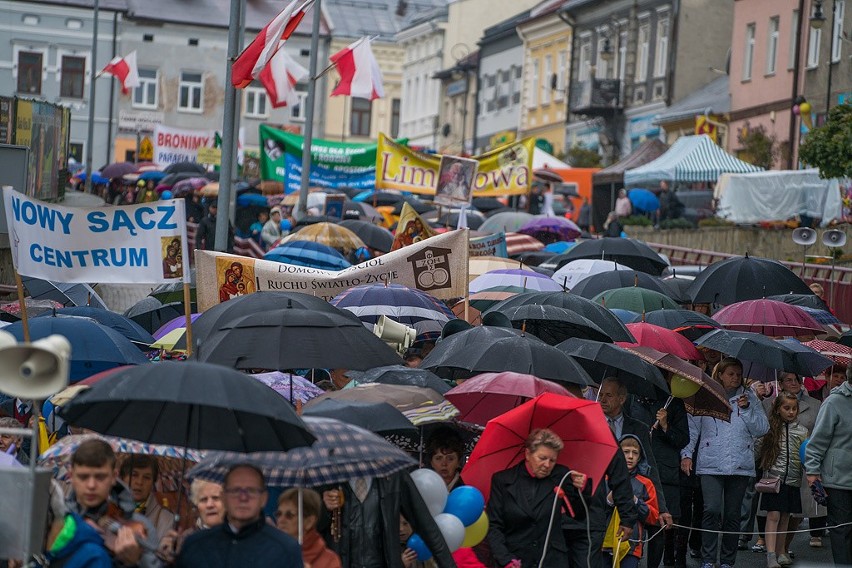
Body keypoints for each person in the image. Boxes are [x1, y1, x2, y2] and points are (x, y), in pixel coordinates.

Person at [681, 357, 769, 568]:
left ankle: (728, 560)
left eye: (738, 374)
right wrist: (686, 454)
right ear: (720, 375)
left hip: (740, 464)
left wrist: (747, 409)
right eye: (731, 374)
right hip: (711, 462)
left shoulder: (750, 398)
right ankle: (708, 559)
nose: (735, 378)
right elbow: (693, 429)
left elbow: (762, 429)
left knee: (732, 514)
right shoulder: (705, 394)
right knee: (711, 509)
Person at [487, 428, 589, 568]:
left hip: (552, 560)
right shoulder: (502, 480)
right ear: (528, 454)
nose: (547, 465)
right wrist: (505, 560)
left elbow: (578, 515)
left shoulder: (562, 475)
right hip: (515, 560)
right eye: (542, 458)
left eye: (552, 460)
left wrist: (581, 491)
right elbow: (494, 526)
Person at [319, 469, 455, 567]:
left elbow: (425, 524)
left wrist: (448, 565)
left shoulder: (394, 476)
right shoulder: (328, 478)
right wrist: (324, 508)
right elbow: (308, 528)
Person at [176, 464, 302, 567]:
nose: (243, 497)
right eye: (235, 490)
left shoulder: (285, 549)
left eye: (251, 490)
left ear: (264, 498)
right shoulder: (194, 545)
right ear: (225, 497)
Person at [63, 438, 160, 567]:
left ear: (114, 477)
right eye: (83, 477)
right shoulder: (55, 520)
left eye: (100, 477)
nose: (91, 485)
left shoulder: (141, 527)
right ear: (71, 476)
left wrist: (134, 562)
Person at [598, 378, 671, 524]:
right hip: (598, 499)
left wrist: (662, 508)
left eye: (609, 395)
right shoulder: (592, 423)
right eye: (601, 395)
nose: (603, 400)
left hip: (629, 497)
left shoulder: (640, 428)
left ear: (622, 399)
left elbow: (650, 466)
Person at [805, 366, 852, 566]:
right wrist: (813, 471)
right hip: (838, 479)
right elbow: (817, 441)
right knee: (841, 529)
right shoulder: (834, 402)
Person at [756, 392, 808, 568]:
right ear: (777, 409)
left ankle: (781, 551)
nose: (791, 412)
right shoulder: (769, 429)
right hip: (773, 479)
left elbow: (805, 455)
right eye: (787, 408)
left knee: (785, 516)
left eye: (794, 408)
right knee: (773, 514)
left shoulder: (802, 431)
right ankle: (771, 554)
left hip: (793, 479)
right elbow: (758, 449)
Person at [604, 435, 660, 568]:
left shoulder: (646, 483)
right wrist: (609, 500)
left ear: (640, 457)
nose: (630, 456)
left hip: (632, 545)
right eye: (626, 452)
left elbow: (653, 517)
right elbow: (593, 509)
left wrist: (635, 501)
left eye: (635, 453)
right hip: (603, 543)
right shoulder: (605, 479)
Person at [157, 479, 225, 563]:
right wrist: (167, 561)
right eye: (203, 499)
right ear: (196, 505)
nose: (209, 505)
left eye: (216, 498)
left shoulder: (239, 536)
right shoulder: (186, 541)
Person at [276, 488, 341, 568]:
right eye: (278, 514)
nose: (281, 520)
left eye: (289, 515)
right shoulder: (269, 554)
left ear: (309, 521)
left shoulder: (329, 560)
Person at [119, 455, 175, 542]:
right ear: (122, 478)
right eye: (134, 475)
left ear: (153, 483)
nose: (139, 482)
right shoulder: (108, 509)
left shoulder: (166, 519)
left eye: (146, 477)